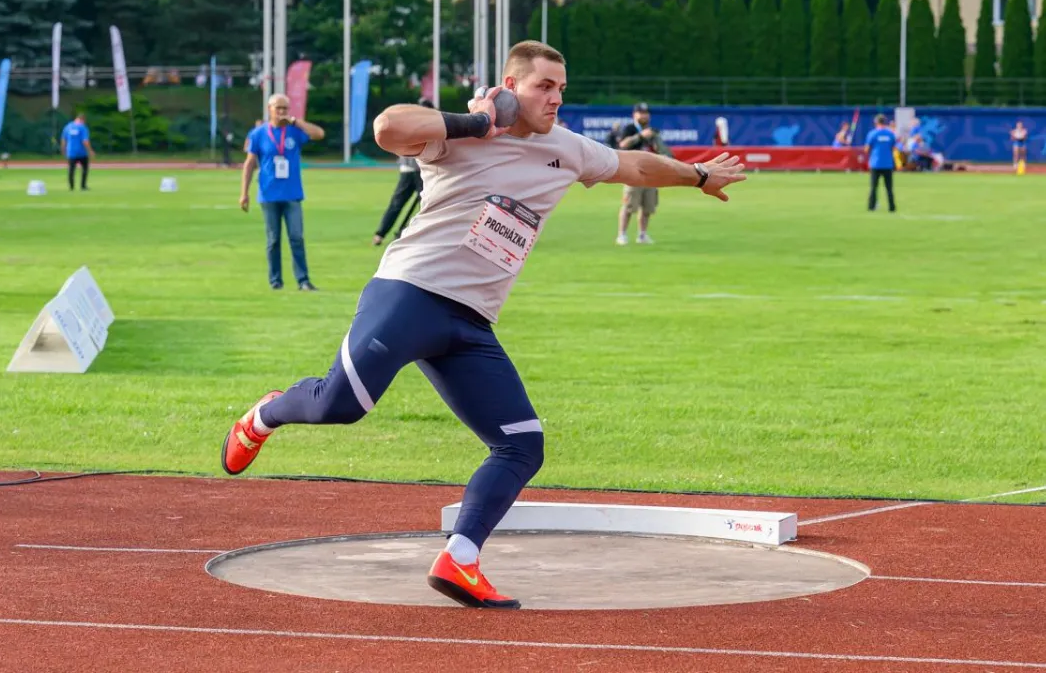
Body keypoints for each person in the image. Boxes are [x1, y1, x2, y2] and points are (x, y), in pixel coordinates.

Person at [219, 40, 745, 610]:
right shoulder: (465, 132)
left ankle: (460, 559)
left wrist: (696, 175)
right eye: (544, 86)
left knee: (522, 445)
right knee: (339, 406)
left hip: (471, 325)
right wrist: (475, 121)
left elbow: (634, 165)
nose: (556, 98)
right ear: (511, 85)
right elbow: (388, 126)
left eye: (562, 88)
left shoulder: (565, 148)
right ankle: (266, 413)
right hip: (410, 294)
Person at [240, 95, 325, 291]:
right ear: (269, 109)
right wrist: (244, 192)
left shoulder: (294, 131)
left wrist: (296, 121)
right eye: (278, 108)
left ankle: (303, 280)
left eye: (285, 108)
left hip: (292, 194)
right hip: (269, 194)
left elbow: (319, 134)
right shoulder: (258, 134)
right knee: (273, 240)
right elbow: (249, 164)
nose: (282, 112)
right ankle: (275, 280)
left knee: (296, 237)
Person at [372, 98, 434, 246]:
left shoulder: (413, 124)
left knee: (410, 203)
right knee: (414, 203)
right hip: (415, 169)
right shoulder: (427, 126)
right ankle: (385, 233)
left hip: (415, 169)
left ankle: (385, 234)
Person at [614, 102, 661, 245]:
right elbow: (622, 145)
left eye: (646, 113)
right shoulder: (629, 128)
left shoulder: (652, 130)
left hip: (650, 172)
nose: (644, 115)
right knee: (629, 205)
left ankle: (642, 234)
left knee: (648, 206)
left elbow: (659, 149)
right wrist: (640, 136)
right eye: (641, 113)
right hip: (633, 171)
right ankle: (622, 234)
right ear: (635, 115)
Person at [864, 113, 898, 212]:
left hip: (875, 163)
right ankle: (892, 207)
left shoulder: (872, 134)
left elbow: (867, 149)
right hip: (887, 164)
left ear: (876, 123)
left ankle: (871, 206)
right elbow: (893, 147)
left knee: (874, 187)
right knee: (889, 188)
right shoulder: (890, 134)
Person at [60, 113, 95, 191]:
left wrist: (63, 149)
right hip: (82, 152)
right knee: (85, 169)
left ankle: (71, 187)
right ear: (83, 120)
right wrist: (90, 150)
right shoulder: (83, 128)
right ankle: (83, 186)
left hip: (71, 152)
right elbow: (85, 141)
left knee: (71, 170)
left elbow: (63, 139)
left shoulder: (67, 127)